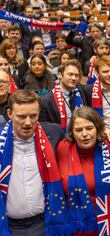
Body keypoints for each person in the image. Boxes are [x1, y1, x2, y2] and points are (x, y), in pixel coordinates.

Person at [0, 89, 66, 235]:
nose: (28, 122)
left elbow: (82, 139)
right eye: (22, 117)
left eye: (33, 116)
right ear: (10, 113)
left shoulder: (54, 133)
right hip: (6, 224)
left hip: (43, 223)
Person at [56, 106, 110, 235]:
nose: (84, 134)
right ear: (72, 132)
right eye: (79, 130)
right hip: (77, 227)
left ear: (97, 128)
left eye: (89, 128)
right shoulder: (62, 149)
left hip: (109, 224)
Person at [39, 59, 86, 131]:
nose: (74, 78)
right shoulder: (46, 100)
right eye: (70, 74)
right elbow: (45, 128)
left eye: (76, 75)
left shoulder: (81, 93)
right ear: (60, 75)